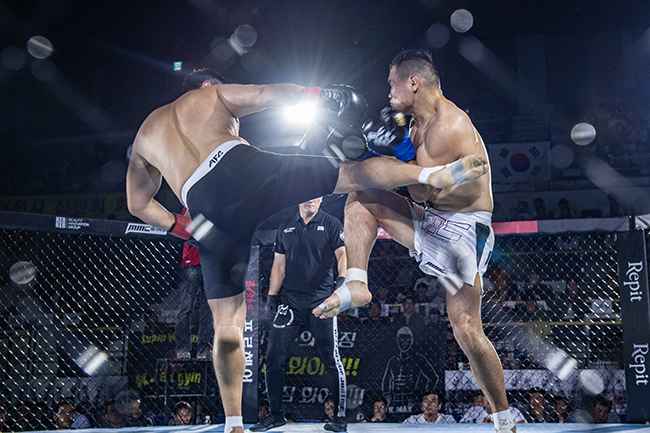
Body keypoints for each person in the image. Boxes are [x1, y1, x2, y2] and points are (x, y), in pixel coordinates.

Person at [126, 68, 488, 433]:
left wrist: (183, 227)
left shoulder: (145, 134)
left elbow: (137, 204)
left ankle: (233, 424)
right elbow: (266, 94)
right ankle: (430, 176)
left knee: (227, 325)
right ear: (207, 84)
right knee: (352, 174)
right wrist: (317, 94)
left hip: (204, 208)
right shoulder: (209, 95)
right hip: (241, 167)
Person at [314, 49, 515, 432]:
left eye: (393, 84)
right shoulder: (415, 123)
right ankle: (356, 282)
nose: (389, 92)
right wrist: (376, 154)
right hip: (434, 218)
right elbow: (413, 184)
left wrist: (396, 151)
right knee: (361, 194)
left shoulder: (446, 126)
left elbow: (421, 190)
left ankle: (504, 419)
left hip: (463, 231)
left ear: (413, 82)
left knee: (466, 328)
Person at [251, 197, 348, 432]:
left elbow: (342, 255)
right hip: (290, 304)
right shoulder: (286, 226)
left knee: (330, 358)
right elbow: (279, 264)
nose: (311, 199)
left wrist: (341, 283)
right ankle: (276, 415)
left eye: (316, 195)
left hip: (321, 303)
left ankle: (339, 416)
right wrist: (272, 296)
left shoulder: (331, 223)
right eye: (306, 195)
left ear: (321, 198)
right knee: (273, 358)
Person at [175, 209, 214, 360]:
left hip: (210, 259)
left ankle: (204, 349)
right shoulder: (190, 201)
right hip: (191, 260)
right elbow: (182, 223)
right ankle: (182, 349)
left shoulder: (214, 203)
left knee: (208, 310)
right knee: (185, 308)